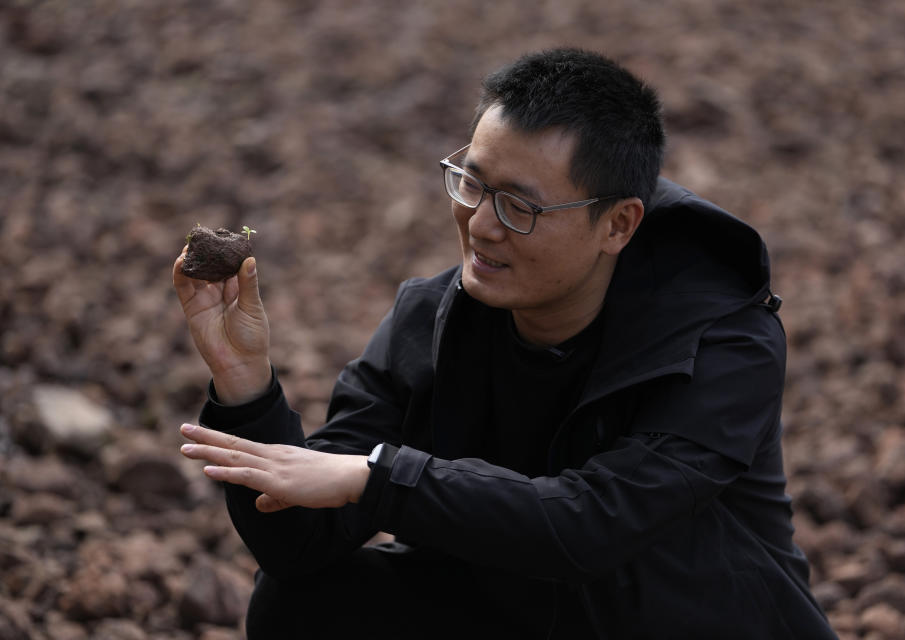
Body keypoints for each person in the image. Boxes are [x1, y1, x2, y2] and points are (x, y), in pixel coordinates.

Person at [173, 48, 837, 639]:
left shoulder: (721, 342)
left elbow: (593, 524)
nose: (481, 225)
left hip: (693, 619)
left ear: (618, 224)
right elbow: (300, 548)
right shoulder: (430, 321)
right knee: (302, 604)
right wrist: (245, 383)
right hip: (521, 609)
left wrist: (378, 478)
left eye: (520, 207)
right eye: (472, 182)